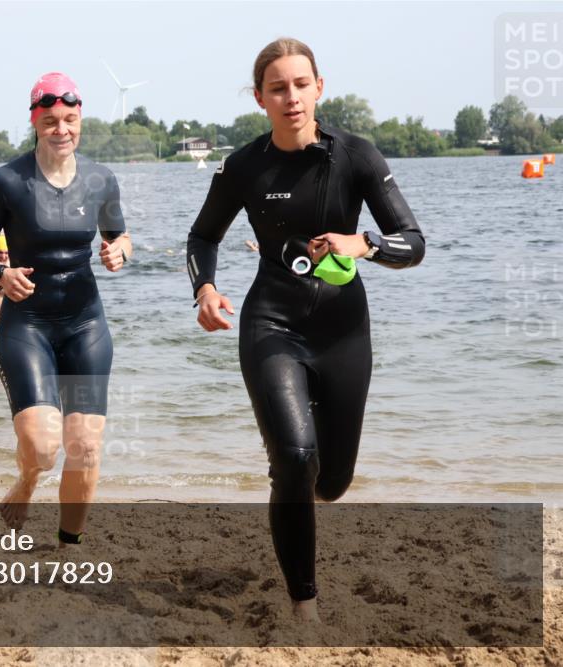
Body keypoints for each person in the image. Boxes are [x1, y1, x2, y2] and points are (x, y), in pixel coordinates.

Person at [186, 38, 425, 621]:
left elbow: (414, 245)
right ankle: (303, 605)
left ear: (319, 87)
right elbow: (202, 237)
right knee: (295, 457)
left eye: (300, 84)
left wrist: (363, 242)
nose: (290, 97)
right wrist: (206, 289)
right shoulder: (243, 166)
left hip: (344, 329)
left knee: (332, 480)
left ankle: (297, 493)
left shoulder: (357, 156)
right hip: (272, 321)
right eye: (277, 88)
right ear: (260, 98)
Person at [0, 71, 132, 544]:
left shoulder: (101, 179)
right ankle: (26, 480)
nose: (62, 129)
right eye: (51, 120)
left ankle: (67, 546)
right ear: (35, 122)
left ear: (81, 119)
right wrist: (1, 274)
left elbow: (119, 236)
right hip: (29, 325)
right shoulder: (8, 181)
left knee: (85, 447)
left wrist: (121, 251)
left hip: (85, 325)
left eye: (70, 119)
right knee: (42, 448)